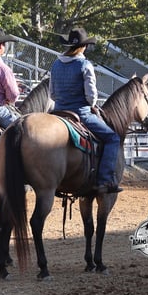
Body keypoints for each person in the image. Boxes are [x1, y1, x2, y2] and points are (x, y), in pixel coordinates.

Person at [49, 27, 122, 194]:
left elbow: (52, 94)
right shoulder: (85, 65)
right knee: (112, 138)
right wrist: (91, 103)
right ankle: (104, 180)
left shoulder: (56, 64)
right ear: (84, 46)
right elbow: (91, 97)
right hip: (80, 113)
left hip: (58, 112)